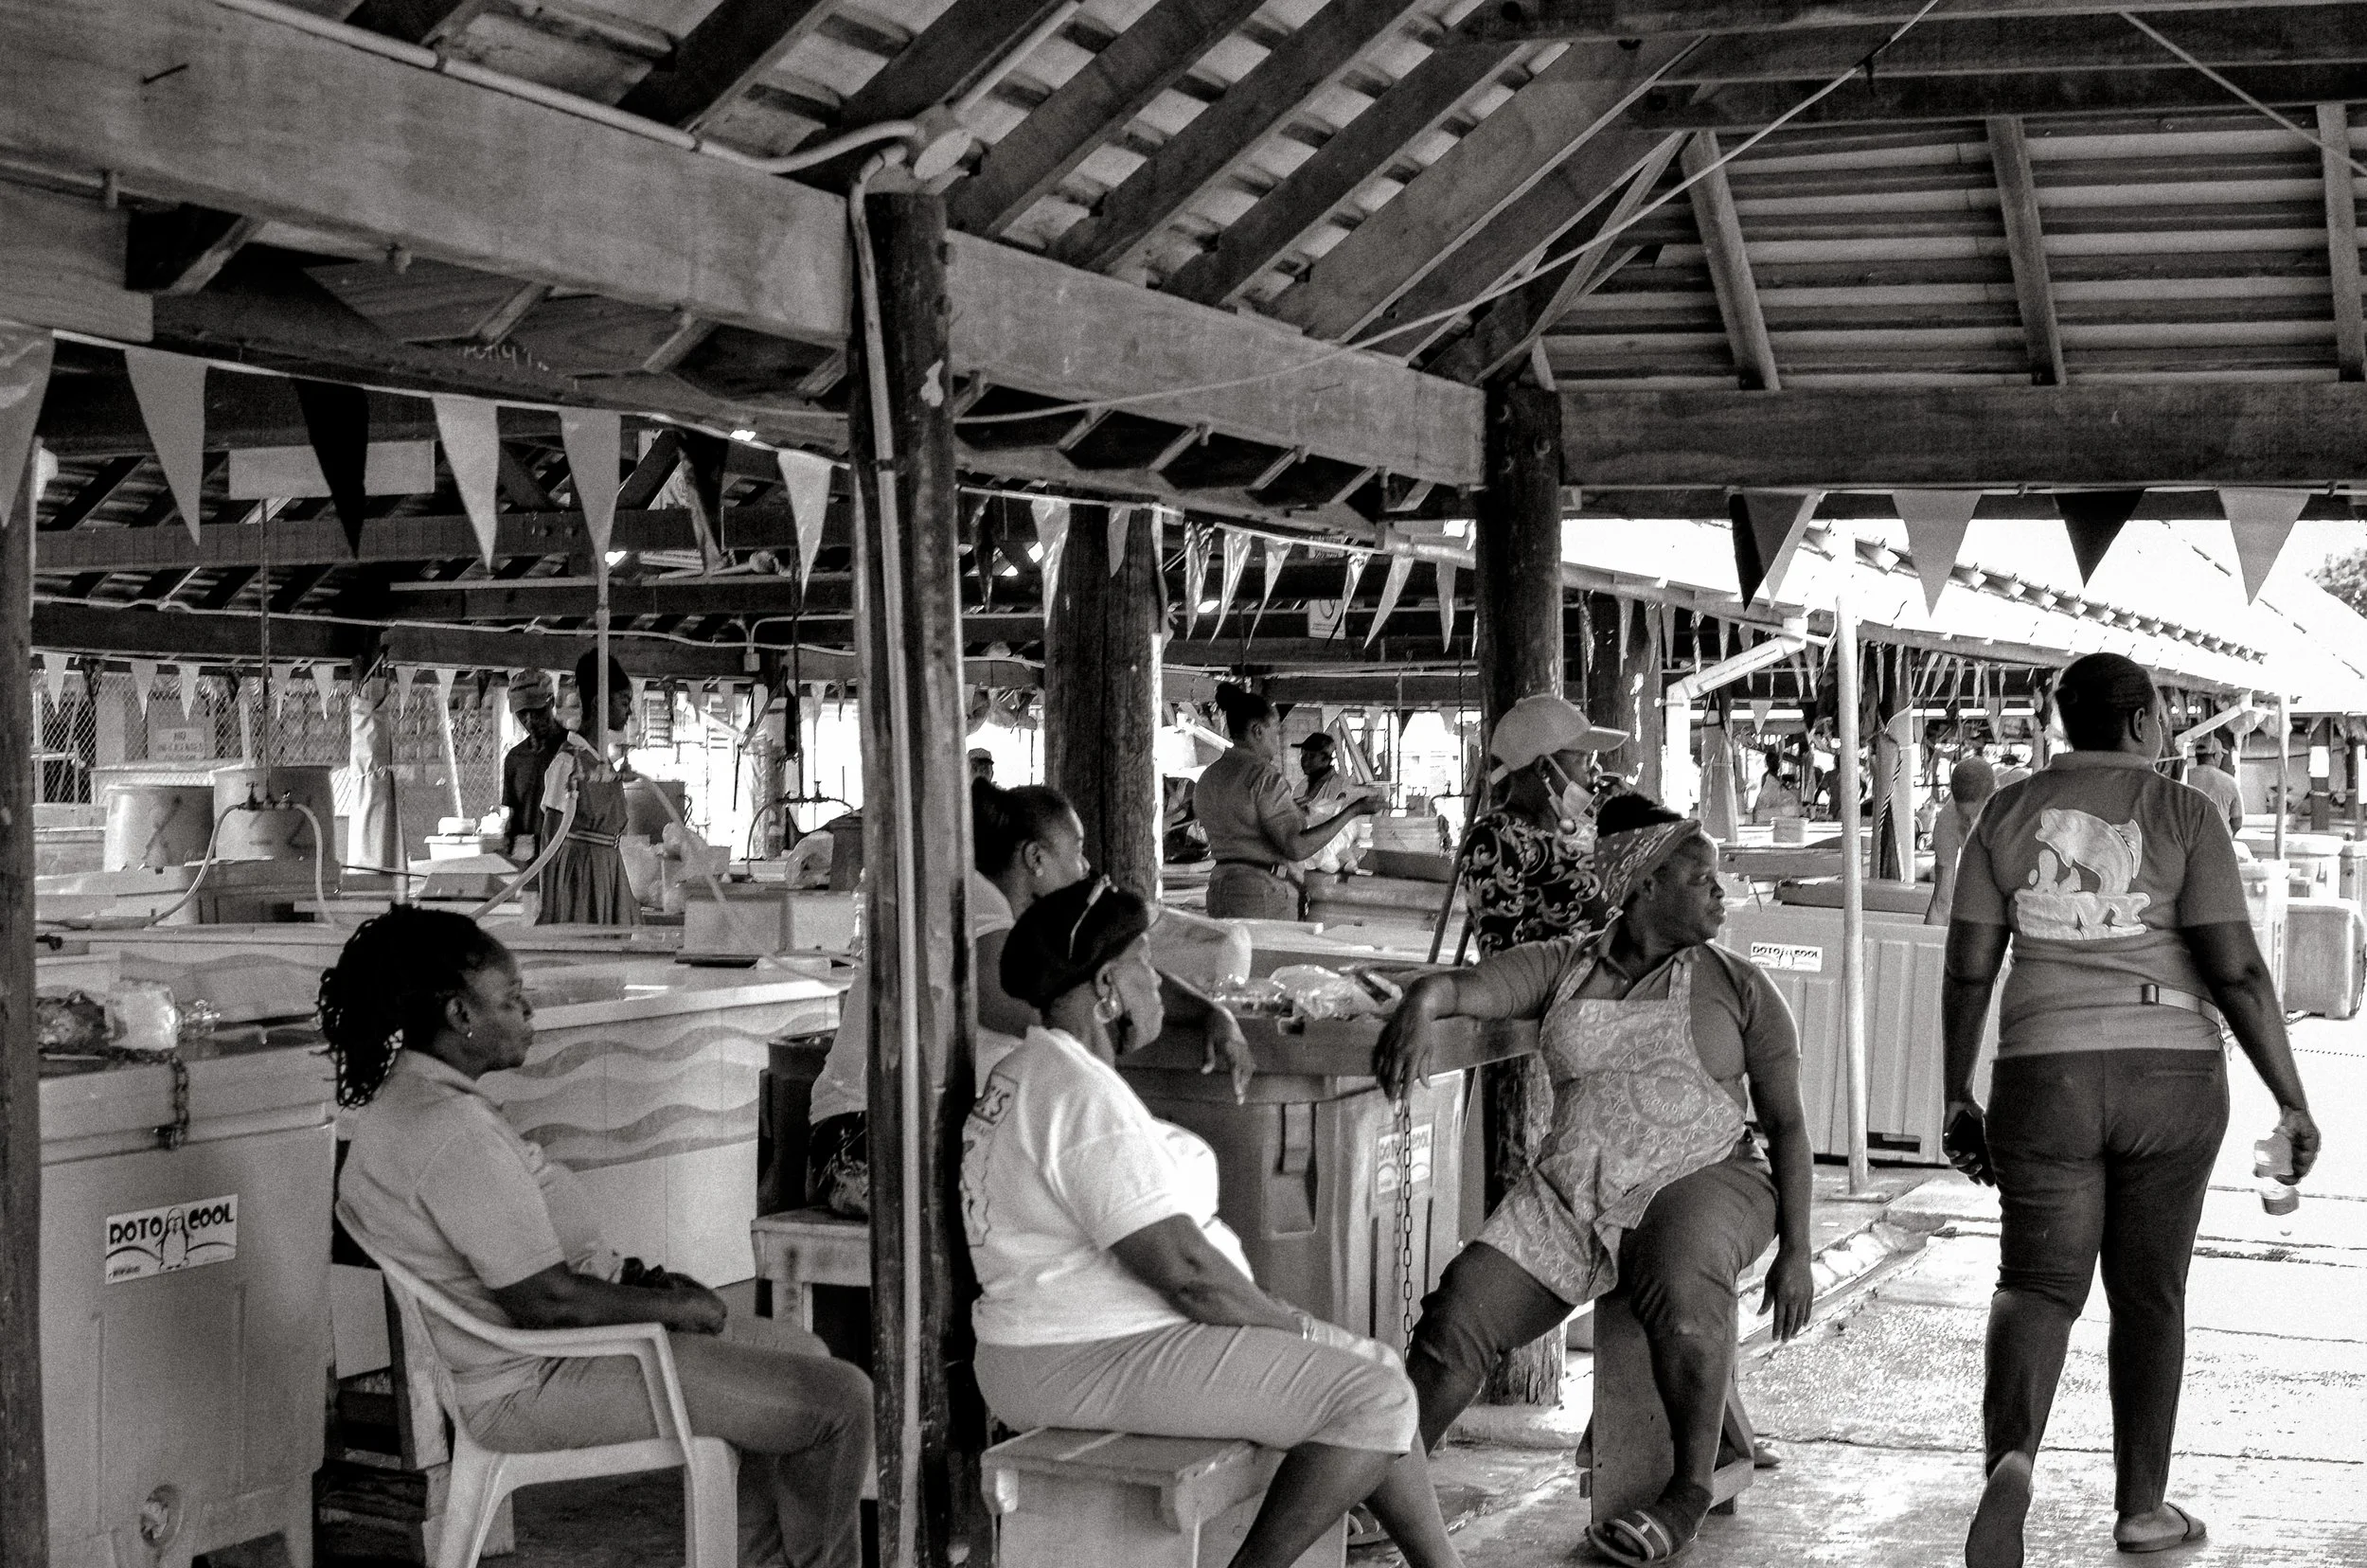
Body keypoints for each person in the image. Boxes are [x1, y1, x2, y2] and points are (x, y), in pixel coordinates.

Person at [327, 908, 871, 1568]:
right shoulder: (448, 1133)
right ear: (458, 1015)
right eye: (511, 999)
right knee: (840, 1401)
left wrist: (640, 1286)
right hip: (539, 1381)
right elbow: (546, 1302)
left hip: (561, 1351)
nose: (528, 1011)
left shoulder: (413, 1106)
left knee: (804, 1355)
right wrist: (673, 1309)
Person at [1939, 652, 2321, 1566]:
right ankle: (2142, 1509)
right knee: (2149, 1293)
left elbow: (1968, 966)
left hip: (2044, 1072)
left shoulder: (2004, 811)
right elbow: (2234, 967)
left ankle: (2013, 1461)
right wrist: (2291, 1095)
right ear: (2146, 720)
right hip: (2171, 1075)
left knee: (2036, 1283)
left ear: (2064, 722)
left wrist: (1959, 1091)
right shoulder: (2185, 812)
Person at [962, 880, 1465, 1568]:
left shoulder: (1039, 1068)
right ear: (1107, 986)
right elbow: (1189, 1277)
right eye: (1145, 963)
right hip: (1077, 1355)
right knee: (1369, 1398)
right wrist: (1291, 1323)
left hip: (1082, 1344)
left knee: (1375, 1369)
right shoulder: (1075, 1097)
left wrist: (1211, 1018)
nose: (1161, 985)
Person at [1377, 793, 1816, 1568]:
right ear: (1644, 884)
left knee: (1682, 1287)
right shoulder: (1562, 965)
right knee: (1456, 1320)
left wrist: (1799, 1252)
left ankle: (1687, 1492)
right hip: (1572, 1190)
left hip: (1708, 1174)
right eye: (1701, 878)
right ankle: (1381, 1482)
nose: (1722, 894)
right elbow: (1467, 988)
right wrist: (1423, 998)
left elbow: (1788, 1127)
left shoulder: (1742, 986)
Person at [807, 781, 1249, 1217]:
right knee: (1092, 1193)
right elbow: (1070, 1012)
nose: (1085, 865)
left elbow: (1105, 969)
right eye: (1075, 851)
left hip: (904, 1132)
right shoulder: (974, 908)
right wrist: (1136, 1013)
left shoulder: (999, 915)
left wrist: (1208, 1011)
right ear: (1035, 858)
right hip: (865, 1141)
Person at [1462, 693, 1627, 955]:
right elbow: (1501, 960)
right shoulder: (1497, 838)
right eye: (1584, 760)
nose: (1595, 772)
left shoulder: (1581, 828)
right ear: (1543, 767)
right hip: (1560, 994)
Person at [1198, 686, 1376, 918]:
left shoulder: (1209, 776)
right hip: (1260, 893)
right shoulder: (1263, 777)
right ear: (1257, 731)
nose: (1277, 739)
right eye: (1275, 731)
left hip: (1221, 886)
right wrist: (1352, 812)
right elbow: (1296, 847)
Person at [537, 650, 638, 925]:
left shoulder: (600, 763)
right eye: (624, 701)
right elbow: (550, 837)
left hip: (608, 869)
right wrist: (548, 906)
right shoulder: (569, 761)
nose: (629, 711)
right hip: (581, 876)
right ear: (598, 703)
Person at [498, 674, 568, 861]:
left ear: (551, 702)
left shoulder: (572, 750)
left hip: (567, 858)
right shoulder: (515, 759)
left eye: (536, 711)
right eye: (522, 713)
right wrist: (509, 835)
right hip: (530, 862)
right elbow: (514, 813)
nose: (529, 720)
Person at [1925, 756, 1996, 927]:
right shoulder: (1947, 820)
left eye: (1978, 814)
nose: (1971, 824)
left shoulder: (2017, 811)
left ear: (1994, 796)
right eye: (1965, 817)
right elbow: (1941, 902)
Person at [1295, 730, 1373, 877]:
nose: (1304, 760)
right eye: (1303, 755)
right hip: (1306, 862)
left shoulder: (1340, 787)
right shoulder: (1300, 787)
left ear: (1326, 760)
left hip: (1333, 865)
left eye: (1311, 756)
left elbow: (1345, 832)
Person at [2179, 743, 2244, 838]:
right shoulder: (2230, 782)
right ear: (2216, 756)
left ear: (2196, 756)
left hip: (2189, 841)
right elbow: (2237, 822)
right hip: (2219, 841)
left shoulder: (2184, 778)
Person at [1748, 748, 1803, 827]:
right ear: (1768, 763)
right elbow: (1767, 796)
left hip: (1773, 808)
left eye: (1777, 762)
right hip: (1767, 809)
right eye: (1774, 762)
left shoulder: (1777, 778)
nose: (1777, 764)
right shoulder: (1768, 777)